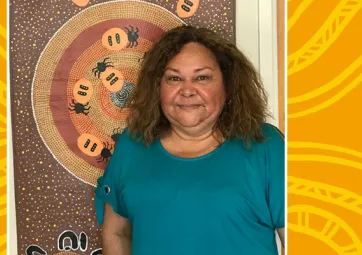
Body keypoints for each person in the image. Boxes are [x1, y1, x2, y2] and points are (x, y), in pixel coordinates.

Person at [94, 25, 285, 255]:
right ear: (157, 88)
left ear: (228, 86)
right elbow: (117, 233)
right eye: (174, 78)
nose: (187, 90)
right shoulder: (132, 144)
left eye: (202, 77)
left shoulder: (265, 145)